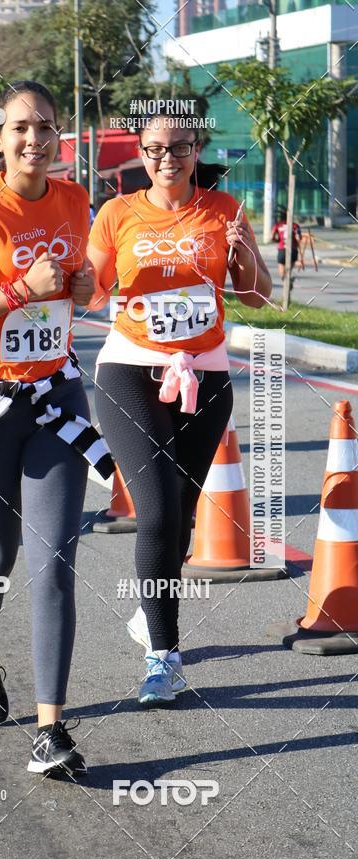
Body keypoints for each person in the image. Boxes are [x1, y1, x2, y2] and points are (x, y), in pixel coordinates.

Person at [0, 81, 113, 777]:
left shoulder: (73, 201)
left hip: (58, 392)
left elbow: (88, 288)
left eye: (44, 127)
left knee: (55, 561)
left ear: (58, 136)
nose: (33, 138)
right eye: (19, 129)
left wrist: (74, 290)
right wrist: (17, 292)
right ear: (0, 140)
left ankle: (51, 730)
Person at [87, 115, 272, 705]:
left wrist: (244, 258)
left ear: (196, 151)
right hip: (129, 370)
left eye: (180, 147)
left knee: (184, 519)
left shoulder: (225, 209)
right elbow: (89, 290)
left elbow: (257, 295)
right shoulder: (116, 214)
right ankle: (163, 659)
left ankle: (152, 609)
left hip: (206, 373)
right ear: (141, 154)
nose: (169, 157)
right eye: (156, 149)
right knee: (159, 512)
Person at [272, 208, 302, 284]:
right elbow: (298, 237)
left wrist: (277, 240)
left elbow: (272, 236)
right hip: (293, 250)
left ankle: (284, 280)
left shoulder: (278, 225)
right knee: (289, 268)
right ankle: (288, 279)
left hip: (282, 248)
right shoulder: (295, 226)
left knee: (281, 266)